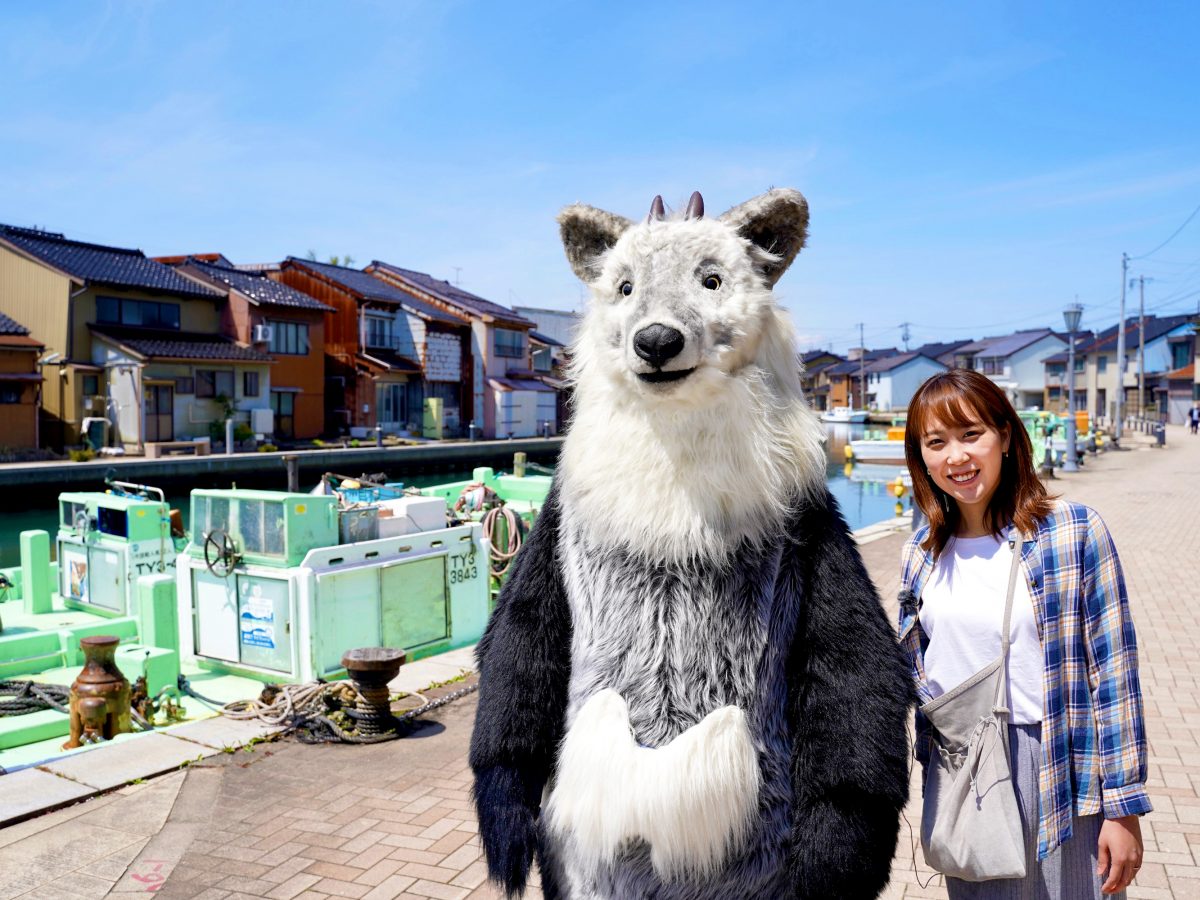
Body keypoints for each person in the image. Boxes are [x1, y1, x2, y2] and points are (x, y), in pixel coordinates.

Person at [898, 369, 1151, 898]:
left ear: (1006, 437)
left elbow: (1114, 671)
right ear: (921, 457)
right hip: (963, 768)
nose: (956, 457)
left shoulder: (1074, 530)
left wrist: (1122, 807)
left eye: (972, 435)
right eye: (936, 442)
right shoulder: (921, 552)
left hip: (1059, 759)